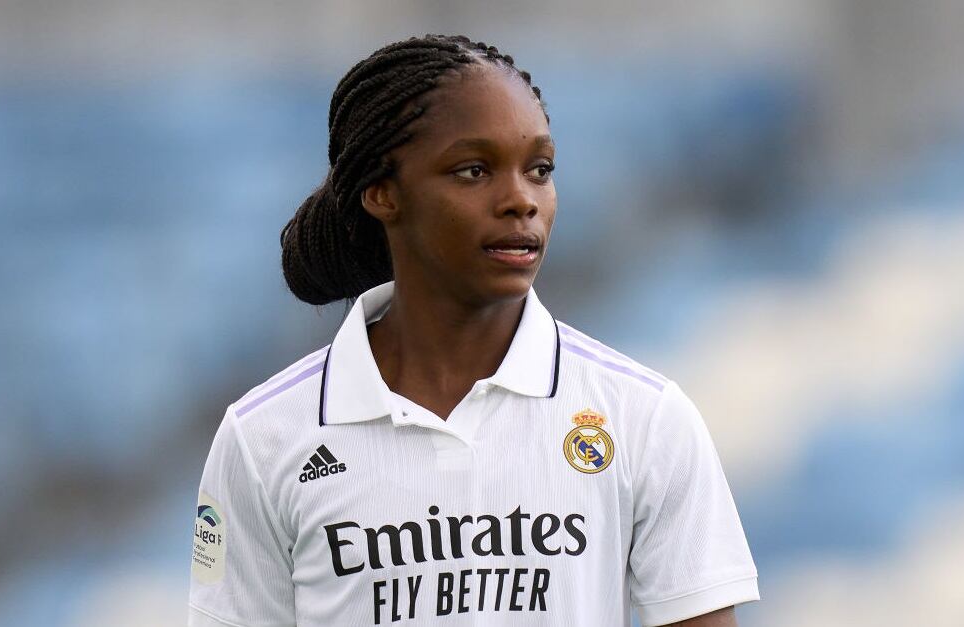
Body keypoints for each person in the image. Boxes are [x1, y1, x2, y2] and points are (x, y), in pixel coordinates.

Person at [189, 34, 759, 627]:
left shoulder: (645, 417)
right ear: (382, 193)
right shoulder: (262, 440)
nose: (521, 200)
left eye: (539, 169)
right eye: (473, 170)